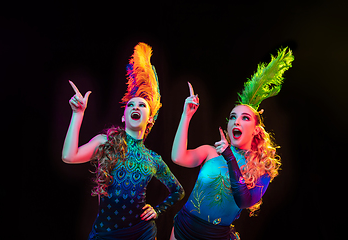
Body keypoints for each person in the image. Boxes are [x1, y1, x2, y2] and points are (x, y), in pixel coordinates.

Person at [62, 42, 185, 240]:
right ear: (123, 116)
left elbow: (177, 191)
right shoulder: (106, 142)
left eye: (142, 106)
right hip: (105, 233)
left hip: (141, 233)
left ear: (150, 118)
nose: (136, 107)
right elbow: (69, 156)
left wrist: (157, 210)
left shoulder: (153, 159)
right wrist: (78, 114)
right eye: (131, 105)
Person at [170, 48, 294, 240]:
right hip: (183, 229)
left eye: (245, 118)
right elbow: (178, 157)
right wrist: (186, 115)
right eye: (233, 117)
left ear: (255, 130)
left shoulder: (261, 170)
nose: (236, 121)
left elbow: (244, 200)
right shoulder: (210, 153)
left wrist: (229, 155)